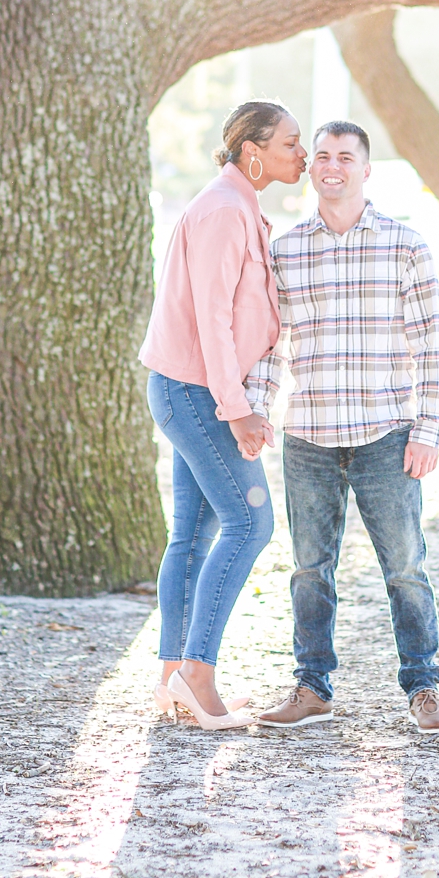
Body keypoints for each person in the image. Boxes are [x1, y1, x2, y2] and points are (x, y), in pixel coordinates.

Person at [248, 121, 439, 735]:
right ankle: (311, 687)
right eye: (322, 156)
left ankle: (423, 687)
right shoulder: (285, 250)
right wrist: (257, 408)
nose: (331, 166)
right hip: (308, 435)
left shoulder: (405, 245)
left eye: (345, 157)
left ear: (368, 170)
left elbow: (434, 348)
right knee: (310, 569)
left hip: (386, 434)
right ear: (310, 168)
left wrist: (429, 428)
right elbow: (268, 345)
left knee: (405, 568)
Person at [139, 100, 307, 730]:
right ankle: (198, 678)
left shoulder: (238, 206)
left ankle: (172, 680)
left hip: (195, 391)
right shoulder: (224, 210)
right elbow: (210, 317)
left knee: (194, 536)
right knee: (249, 524)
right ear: (254, 150)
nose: (303, 155)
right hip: (197, 395)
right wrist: (237, 412)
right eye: (291, 143)